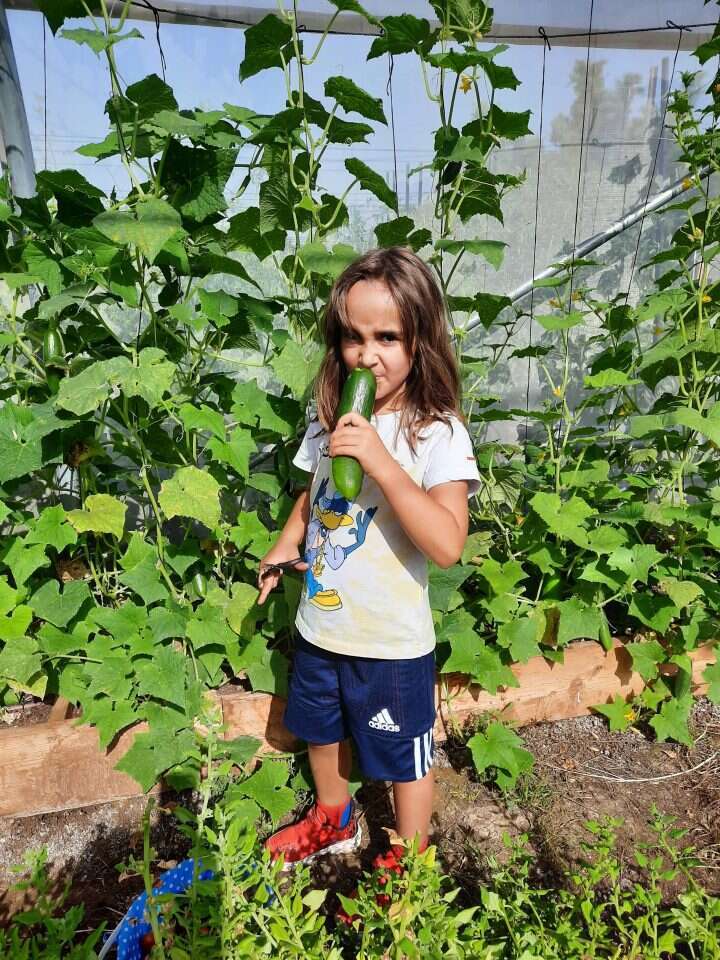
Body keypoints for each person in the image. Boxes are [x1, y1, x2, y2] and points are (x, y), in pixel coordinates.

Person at [256, 246, 480, 879]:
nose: (366, 354)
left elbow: (446, 543)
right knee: (319, 730)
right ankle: (335, 816)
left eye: (387, 337)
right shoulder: (330, 418)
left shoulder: (436, 433)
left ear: (422, 341)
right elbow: (315, 493)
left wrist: (381, 461)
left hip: (390, 642)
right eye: (353, 337)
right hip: (321, 624)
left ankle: (410, 860)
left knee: (404, 757)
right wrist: (286, 540)